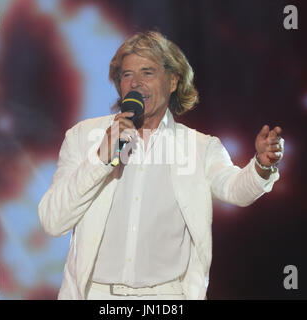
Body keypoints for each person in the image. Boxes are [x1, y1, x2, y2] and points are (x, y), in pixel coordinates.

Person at [38, 31, 284, 300]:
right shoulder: (83, 137)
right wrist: (101, 159)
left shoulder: (199, 146)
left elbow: (235, 189)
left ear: (173, 81)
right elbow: (53, 221)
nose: (136, 83)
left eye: (148, 72)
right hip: (94, 294)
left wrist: (261, 165)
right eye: (127, 74)